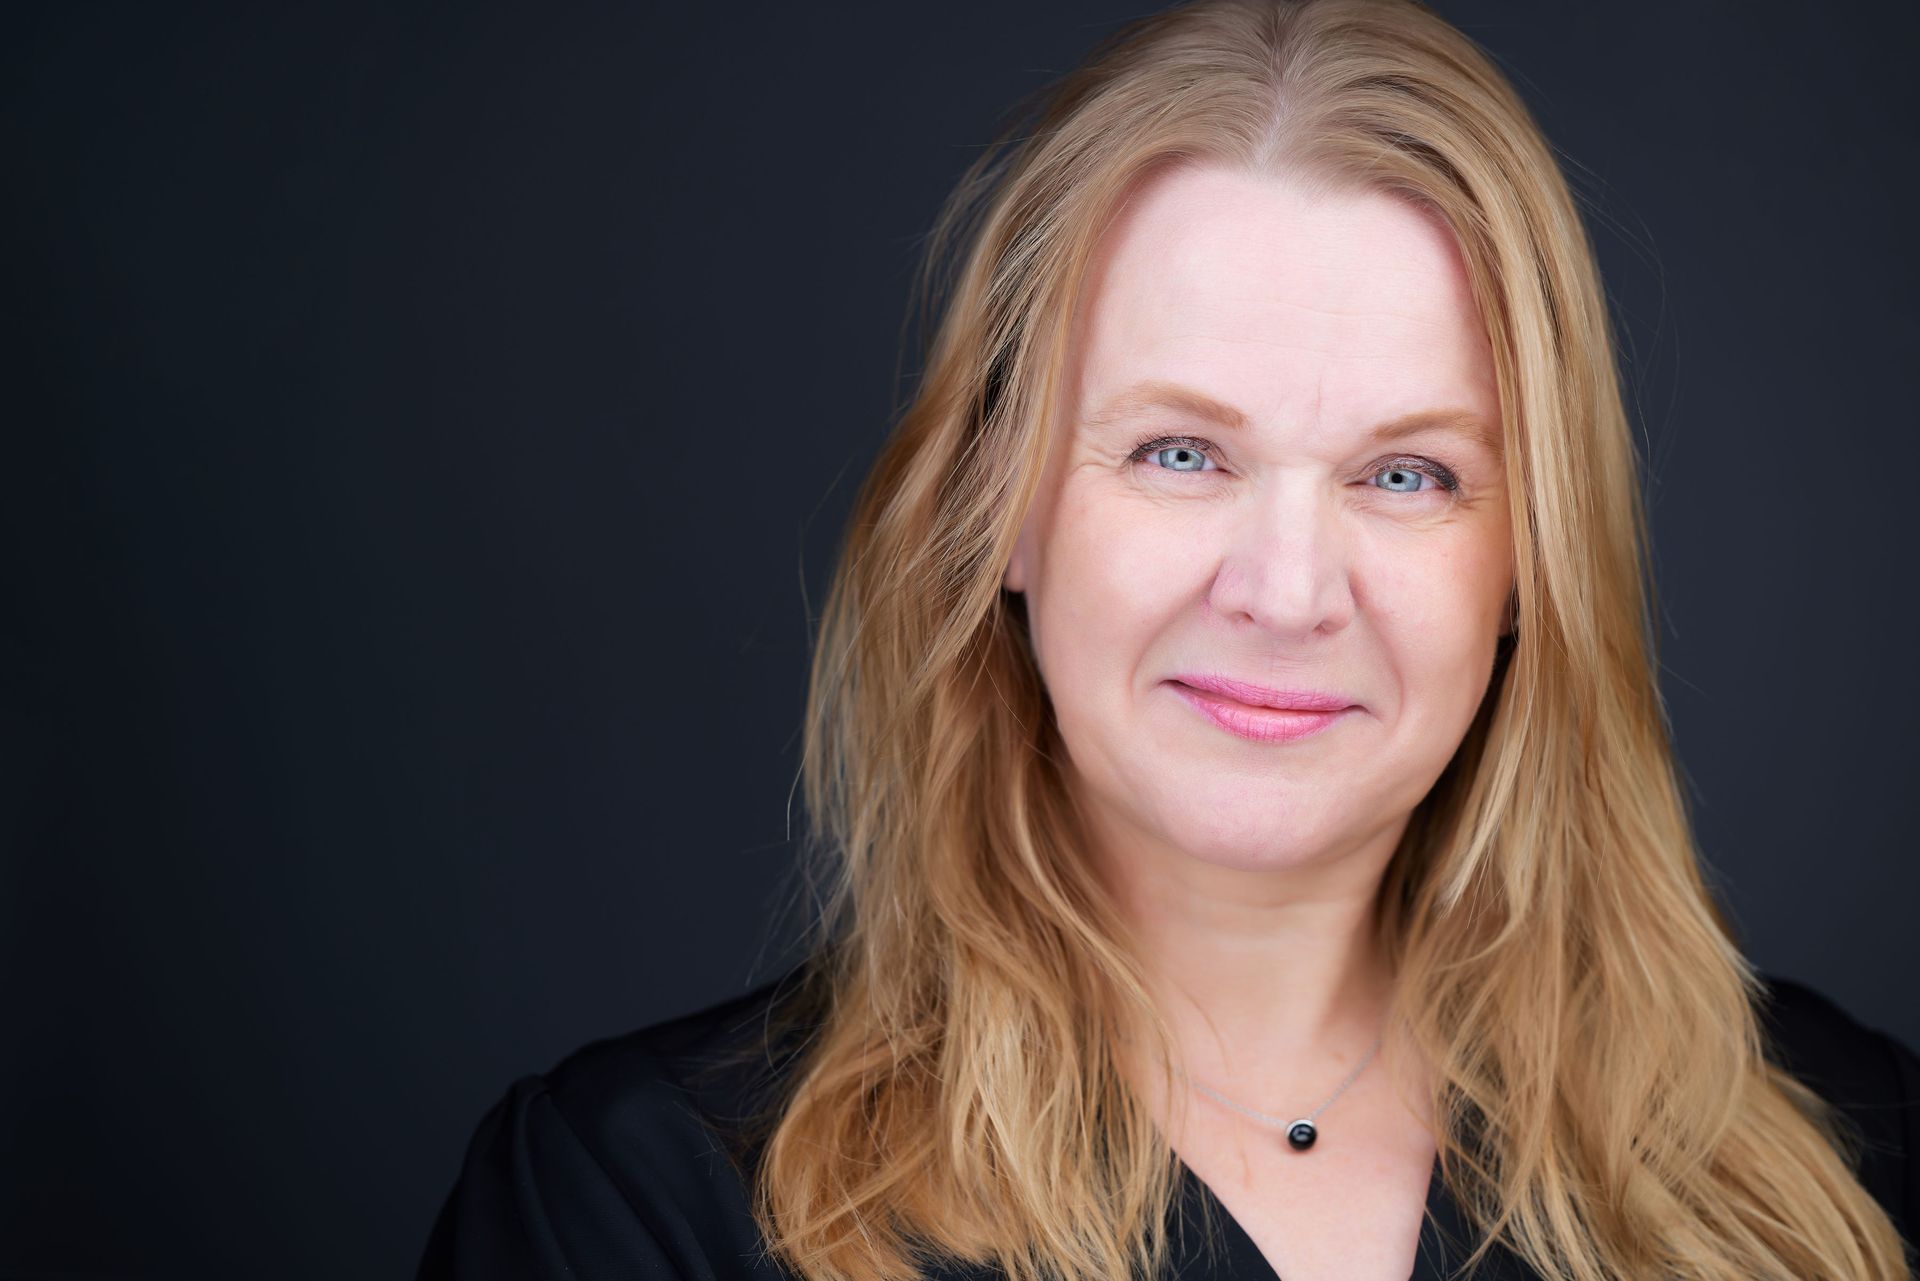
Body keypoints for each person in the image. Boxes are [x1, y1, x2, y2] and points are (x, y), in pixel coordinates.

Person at [416, 0, 1919, 1278]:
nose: (1286, 590)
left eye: (1408, 474)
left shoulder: (1841, 1154)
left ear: (1531, 566)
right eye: (1180, 453)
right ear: (1000, 514)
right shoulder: (641, 1207)